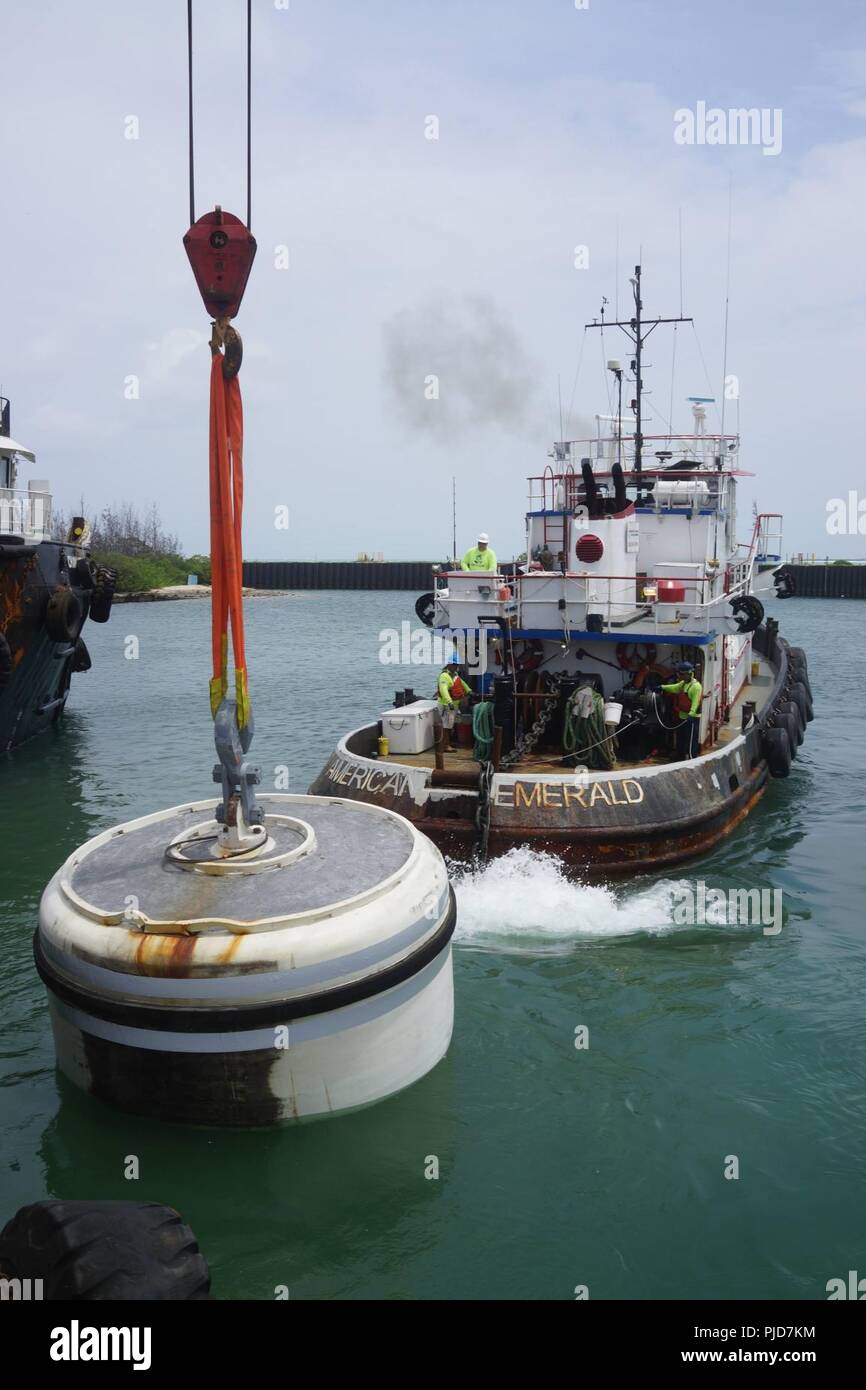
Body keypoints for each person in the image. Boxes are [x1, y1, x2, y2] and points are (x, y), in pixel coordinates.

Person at [661, 660, 703, 760]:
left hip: (691, 719)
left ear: (688, 674)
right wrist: (662, 687)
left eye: (680, 674)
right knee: (681, 738)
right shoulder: (683, 684)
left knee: (691, 740)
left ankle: (692, 758)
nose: (679, 676)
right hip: (682, 717)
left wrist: (691, 714)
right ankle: (680, 757)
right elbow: (674, 688)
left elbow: (695, 702)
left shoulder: (696, 687)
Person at [436, 655, 465, 749]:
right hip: (446, 705)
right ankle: (446, 745)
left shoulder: (454, 674)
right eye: (455, 665)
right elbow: (443, 690)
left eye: (457, 665)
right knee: (446, 726)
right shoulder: (444, 676)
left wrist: (469, 691)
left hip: (454, 705)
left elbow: (462, 683)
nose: (457, 667)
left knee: (450, 725)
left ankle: (448, 742)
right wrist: (449, 702)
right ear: (449, 664)